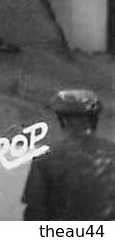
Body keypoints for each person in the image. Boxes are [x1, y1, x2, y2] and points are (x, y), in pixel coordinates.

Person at [21, 89, 115, 220]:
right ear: (94, 120)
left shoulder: (45, 160)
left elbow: (34, 213)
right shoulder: (110, 155)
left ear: (63, 121)